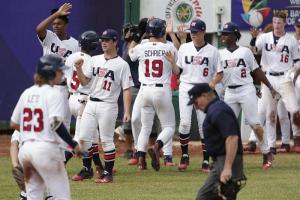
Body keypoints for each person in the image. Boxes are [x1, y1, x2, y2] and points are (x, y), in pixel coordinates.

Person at [10, 54, 81, 199]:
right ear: (51, 72)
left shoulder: (27, 93)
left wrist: (33, 133)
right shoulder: (55, 93)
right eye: (60, 71)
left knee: (33, 196)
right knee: (61, 196)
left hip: (26, 151)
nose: (62, 74)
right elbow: (56, 124)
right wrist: (72, 144)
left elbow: (13, 123)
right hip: (46, 151)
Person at [75, 29, 133, 183]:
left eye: (107, 40)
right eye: (102, 40)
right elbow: (84, 82)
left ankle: (108, 172)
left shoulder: (122, 64)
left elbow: (126, 89)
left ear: (115, 42)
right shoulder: (94, 59)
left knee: (106, 140)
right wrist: (79, 69)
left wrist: (127, 111)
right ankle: (87, 169)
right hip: (91, 102)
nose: (104, 42)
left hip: (108, 105)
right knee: (83, 138)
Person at [166, 18, 223, 172]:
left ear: (203, 32)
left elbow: (220, 73)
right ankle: (185, 155)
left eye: (196, 32)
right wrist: (172, 64)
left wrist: (213, 83)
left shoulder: (212, 50)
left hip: (203, 89)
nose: (193, 35)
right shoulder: (184, 48)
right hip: (185, 86)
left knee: (204, 125)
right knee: (184, 123)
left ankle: (205, 159)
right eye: (192, 32)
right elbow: (179, 71)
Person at [219, 22, 279, 169]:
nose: (223, 36)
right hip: (230, 92)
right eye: (223, 33)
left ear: (234, 35)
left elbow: (257, 71)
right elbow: (217, 74)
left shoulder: (245, 52)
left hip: (246, 90)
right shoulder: (219, 53)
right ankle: (231, 157)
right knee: (228, 126)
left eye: (226, 34)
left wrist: (269, 86)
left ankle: (266, 152)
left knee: (255, 124)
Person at [128, 18, 178, 171]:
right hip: (161, 89)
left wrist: (139, 35)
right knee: (169, 126)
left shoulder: (142, 47)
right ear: (163, 31)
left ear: (148, 32)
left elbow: (130, 52)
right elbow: (177, 72)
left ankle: (141, 160)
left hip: (144, 90)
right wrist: (172, 63)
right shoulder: (168, 48)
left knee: (145, 127)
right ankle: (157, 146)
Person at [187, 83, 246, 200]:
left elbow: (232, 137)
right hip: (221, 161)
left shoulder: (218, 110)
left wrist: (227, 167)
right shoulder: (215, 109)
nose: (196, 107)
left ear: (204, 96)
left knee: (205, 197)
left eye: (196, 102)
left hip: (225, 160)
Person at [253, 11, 300, 152]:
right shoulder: (264, 37)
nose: (276, 25)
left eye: (279, 22)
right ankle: (272, 145)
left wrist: (293, 74)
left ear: (284, 23)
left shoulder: (291, 40)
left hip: (285, 77)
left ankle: (297, 138)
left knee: (294, 110)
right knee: (270, 114)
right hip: (269, 78)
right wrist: (253, 38)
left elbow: (297, 61)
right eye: (274, 22)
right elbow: (255, 50)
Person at [64, 31, 104, 181]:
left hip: (72, 98)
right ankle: (61, 165)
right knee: (81, 138)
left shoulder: (70, 57)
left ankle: (98, 166)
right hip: (84, 100)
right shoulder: (92, 60)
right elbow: (87, 81)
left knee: (93, 137)